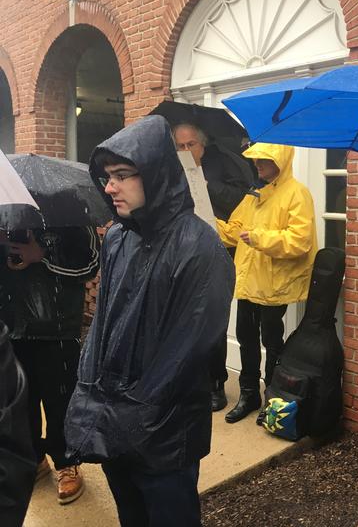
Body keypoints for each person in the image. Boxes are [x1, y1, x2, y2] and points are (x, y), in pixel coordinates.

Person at [64, 115, 235, 527]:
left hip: (164, 434)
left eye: (123, 175)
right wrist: (90, 402)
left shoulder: (200, 248)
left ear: (156, 174)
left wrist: (132, 416)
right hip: (114, 426)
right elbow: (102, 326)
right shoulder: (119, 239)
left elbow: (188, 351)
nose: (110, 187)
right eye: (107, 176)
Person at [217, 143, 317, 424]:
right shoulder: (254, 194)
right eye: (256, 158)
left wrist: (260, 237)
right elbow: (236, 231)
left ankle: (273, 398)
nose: (258, 164)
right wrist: (210, 224)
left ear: (280, 160)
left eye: (264, 159)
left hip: (274, 285)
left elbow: (300, 241)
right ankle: (249, 395)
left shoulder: (297, 193)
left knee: (272, 342)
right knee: (246, 339)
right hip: (249, 281)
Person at [0, 224, 99, 505]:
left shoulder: (71, 211)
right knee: (18, 403)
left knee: (61, 401)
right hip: (10, 328)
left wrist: (40, 254)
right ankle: (34, 459)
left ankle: (66, 462)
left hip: (56, 330)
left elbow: (89, 266)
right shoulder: (6, 210)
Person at [172, 121, 252, 412]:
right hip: (182, 249)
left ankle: (216, 383)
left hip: (218, 249)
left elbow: (242, 198)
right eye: (179, 146)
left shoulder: (222, 164)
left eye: (190, 144)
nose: (185, 150)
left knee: (213, 318)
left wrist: (205, 184)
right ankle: (190, 379)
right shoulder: (172, 171)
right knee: (185, 318)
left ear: (203, 145)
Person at [0, 321, 36, 527]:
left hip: (56, 326)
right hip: (17, 322)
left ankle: (65, 463)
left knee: (55, 393)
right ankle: (41, 458)